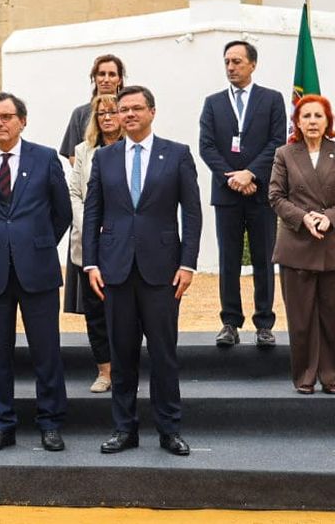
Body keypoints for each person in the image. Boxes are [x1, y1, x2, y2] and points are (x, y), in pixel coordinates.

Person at [84, 85, 202, 457]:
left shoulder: (177, 154)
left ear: (152, 111)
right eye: (123, 109)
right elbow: (93, 214)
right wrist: (90, 262)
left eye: (136, 108)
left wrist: (188, 263)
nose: (129, 114)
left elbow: (193, 213)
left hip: (163, 271)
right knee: (121, 355)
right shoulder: (104, 158)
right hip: (115, 270)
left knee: (164, 354)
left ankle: (169, 430)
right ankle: (124, 429)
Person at [0, 92, 73, 453]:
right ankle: (2, 424)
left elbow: (62, 214)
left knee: (46, 351)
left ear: (22, 121)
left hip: (37, 269)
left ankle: (51, 423)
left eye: (6, 117)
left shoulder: (44, 158)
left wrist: (35, 242)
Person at [268, 95, 335, 395]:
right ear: (296, 122)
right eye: (305, 116)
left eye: (318, 116)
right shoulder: (285, 154)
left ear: (328, 121)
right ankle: (305, 377)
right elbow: (276, 196)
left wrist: (329, 218)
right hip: (297, 244)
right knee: (301, 318)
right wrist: (304, 218)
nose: (311, 121)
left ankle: (333, 377)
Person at [199, 40, 286, 348]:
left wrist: (252, 174)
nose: (231, 67)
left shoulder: (272, 100)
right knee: (229, 260)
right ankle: (230, 322)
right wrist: (233, 178)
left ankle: (264, 323)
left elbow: (277, 141)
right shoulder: (213, 103)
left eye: (237, 61)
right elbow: (207, 147)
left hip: (261, 193)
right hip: (227, 195)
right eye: (227, 62)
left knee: (264, 258)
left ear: (252, 64)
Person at [66, 93, 121, 394]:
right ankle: (104, 370)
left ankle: (125, 369)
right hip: (89, 242)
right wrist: (89, 222)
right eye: (102, 114)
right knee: (95, 311)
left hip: (124, 241)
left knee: (124, 311)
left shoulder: (131, 149)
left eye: (113, 112)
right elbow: (74, 192)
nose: (107, 118)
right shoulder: (84, 151)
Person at [59, 54, 127, 158]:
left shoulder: (128, 110)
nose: (106, 79)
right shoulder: (80, 113)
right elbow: (73, 155)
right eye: (101, 74)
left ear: (120, 80)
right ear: (94, 78)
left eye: (112, 74)